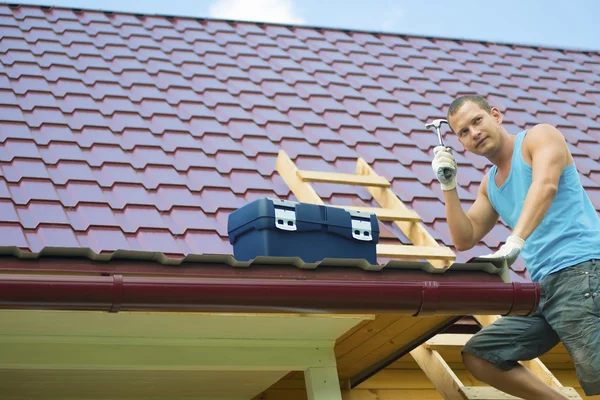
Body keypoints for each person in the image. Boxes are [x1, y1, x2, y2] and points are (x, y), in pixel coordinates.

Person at [431, 95, 600, 399]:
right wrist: (448, 185)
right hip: (543, 289)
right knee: (481, 355)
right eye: (463, 132)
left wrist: (515, 240)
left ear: (495, 115)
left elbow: (545, 185)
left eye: (477, 121)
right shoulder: (490, 185)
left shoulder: (540, 137)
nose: (473, 133)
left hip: (583, 272)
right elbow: (464, 238)